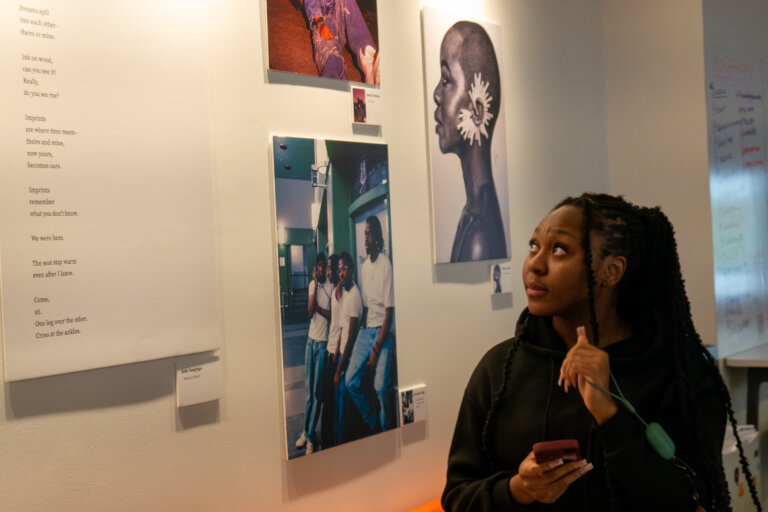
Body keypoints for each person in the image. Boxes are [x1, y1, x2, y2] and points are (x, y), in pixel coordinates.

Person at [442, 193, 761, 511]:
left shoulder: (681, 371)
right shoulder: (499, 368)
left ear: (611, 271)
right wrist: (518, 489)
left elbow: (693, 500)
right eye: (534, 246)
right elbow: (457, 496)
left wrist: (610, 415)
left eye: (559, 250)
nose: (535, 265)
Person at [433, 21, 506, 263]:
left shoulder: (479, 236)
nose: (436, 94)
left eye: (445, 79)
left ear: (477, 110)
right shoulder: (474, 213)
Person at [346, 216, 397, 432]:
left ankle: (387, 429)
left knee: (381, 388)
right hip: (367, 330)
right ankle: (373, 421)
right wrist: (360, 341)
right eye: (364, 234)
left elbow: (389, 314)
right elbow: (366, 309)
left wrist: (375, 349)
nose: (365, 238)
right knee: (350, 381)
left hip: (383, 331)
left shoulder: (386, 265)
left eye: (368, 234)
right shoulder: (364, 267)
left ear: (376, 236)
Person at [294, 252, 332, 455]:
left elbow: (331, 314)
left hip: (323, 344)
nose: (321, 269)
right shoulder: (313, 285)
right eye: (318, 266)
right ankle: (306, 432)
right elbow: (310, 312)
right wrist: (316, 287)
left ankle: (309, 437)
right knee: (309, 394)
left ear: (326, 267)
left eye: (323, 266)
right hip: (311, 342)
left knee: (317, 395)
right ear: (315, 268)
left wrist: (318, 307)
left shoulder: (332, 287)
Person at [304, 0, 380, 84]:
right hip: (323, 23)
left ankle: (367, 55)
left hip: (339, 21)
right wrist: (319, 23)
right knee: (333, 60)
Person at [333, 251, 363, 444]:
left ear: (351, 270)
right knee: (338, 411)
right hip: (341, 356)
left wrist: (338, 370)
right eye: (339, 270)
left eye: (344, 269)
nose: (341, 273)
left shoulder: (354, 297)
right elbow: (343, 328)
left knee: (344, 417)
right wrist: (336, 350)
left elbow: (351, 338)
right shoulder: (345, 292)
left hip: (348, 360)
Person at [321, 253, 341, 448]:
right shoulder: (335, 290)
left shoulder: (341, 292)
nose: (328, 271)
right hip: (329, 350)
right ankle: (328, 442)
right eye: (327, 268)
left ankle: (332, 444)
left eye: (330, 268)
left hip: (335, 353)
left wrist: (335, 356)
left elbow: (343, 326)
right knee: (327, 400)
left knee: (332, 402)